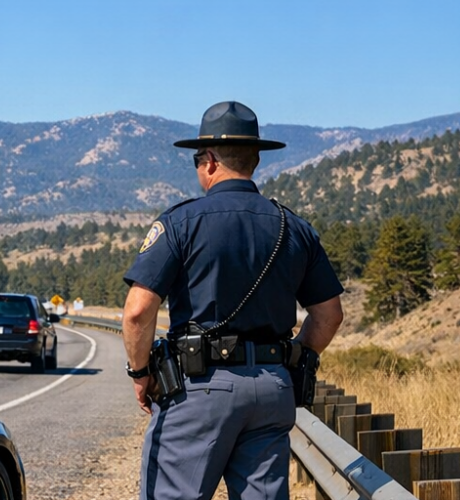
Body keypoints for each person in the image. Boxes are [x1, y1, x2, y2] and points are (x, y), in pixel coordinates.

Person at [120, 101, 345, 500]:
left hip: (199, 390)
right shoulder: (292, 227)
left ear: (208, 161)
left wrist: (141, 374)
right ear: (255, 160)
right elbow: (329, 315)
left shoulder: (180, 222)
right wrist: (291, 357)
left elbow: (138, 312)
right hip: (272, 390)